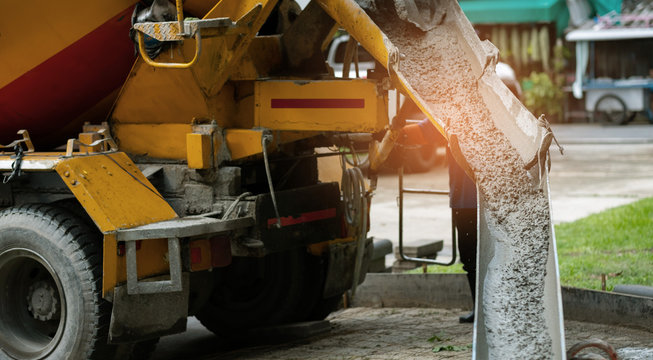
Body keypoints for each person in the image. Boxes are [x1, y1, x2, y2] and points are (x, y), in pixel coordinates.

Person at [400, 119, 478, 323]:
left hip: (467, 200)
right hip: (490, 199)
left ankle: (482, 310)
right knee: (483, 258)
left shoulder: (451, 112)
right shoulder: (489, 107)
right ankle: (487, 309)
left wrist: (394, 133)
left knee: (471, 259)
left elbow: (422, 132)